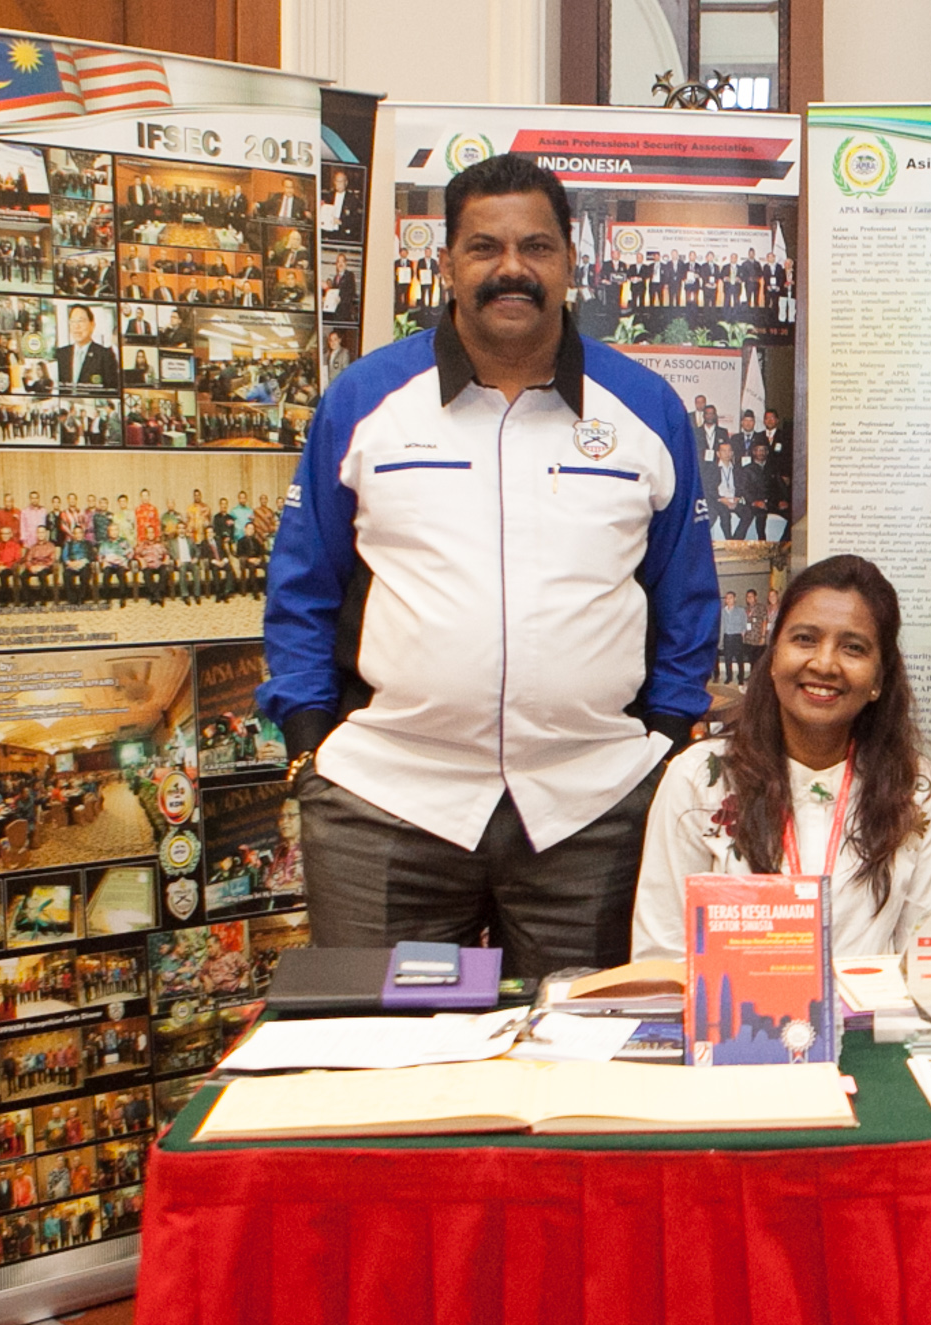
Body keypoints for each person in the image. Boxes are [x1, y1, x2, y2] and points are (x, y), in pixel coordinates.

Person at [263, 154, 717, 980]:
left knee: (585, 1043)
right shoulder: (366, 399)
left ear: (571, 261)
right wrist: (307, 741)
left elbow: (686, 596)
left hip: (592, 811)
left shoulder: (646, 409)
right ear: (445, 263)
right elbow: (302, 584)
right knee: (386, 1052)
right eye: (485, 247)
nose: (513, 268)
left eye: (536, 246)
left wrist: (662, 737)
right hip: (386, 801)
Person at [629, 555, 931, 959]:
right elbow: (661, 956)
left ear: (879, 679)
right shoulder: (699, 778)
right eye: (804, 639)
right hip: (731, 1002)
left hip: (869, 1003)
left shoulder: (917, 788)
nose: (824, 663)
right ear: (772, 656)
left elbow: (926, 960)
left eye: (853, 648)